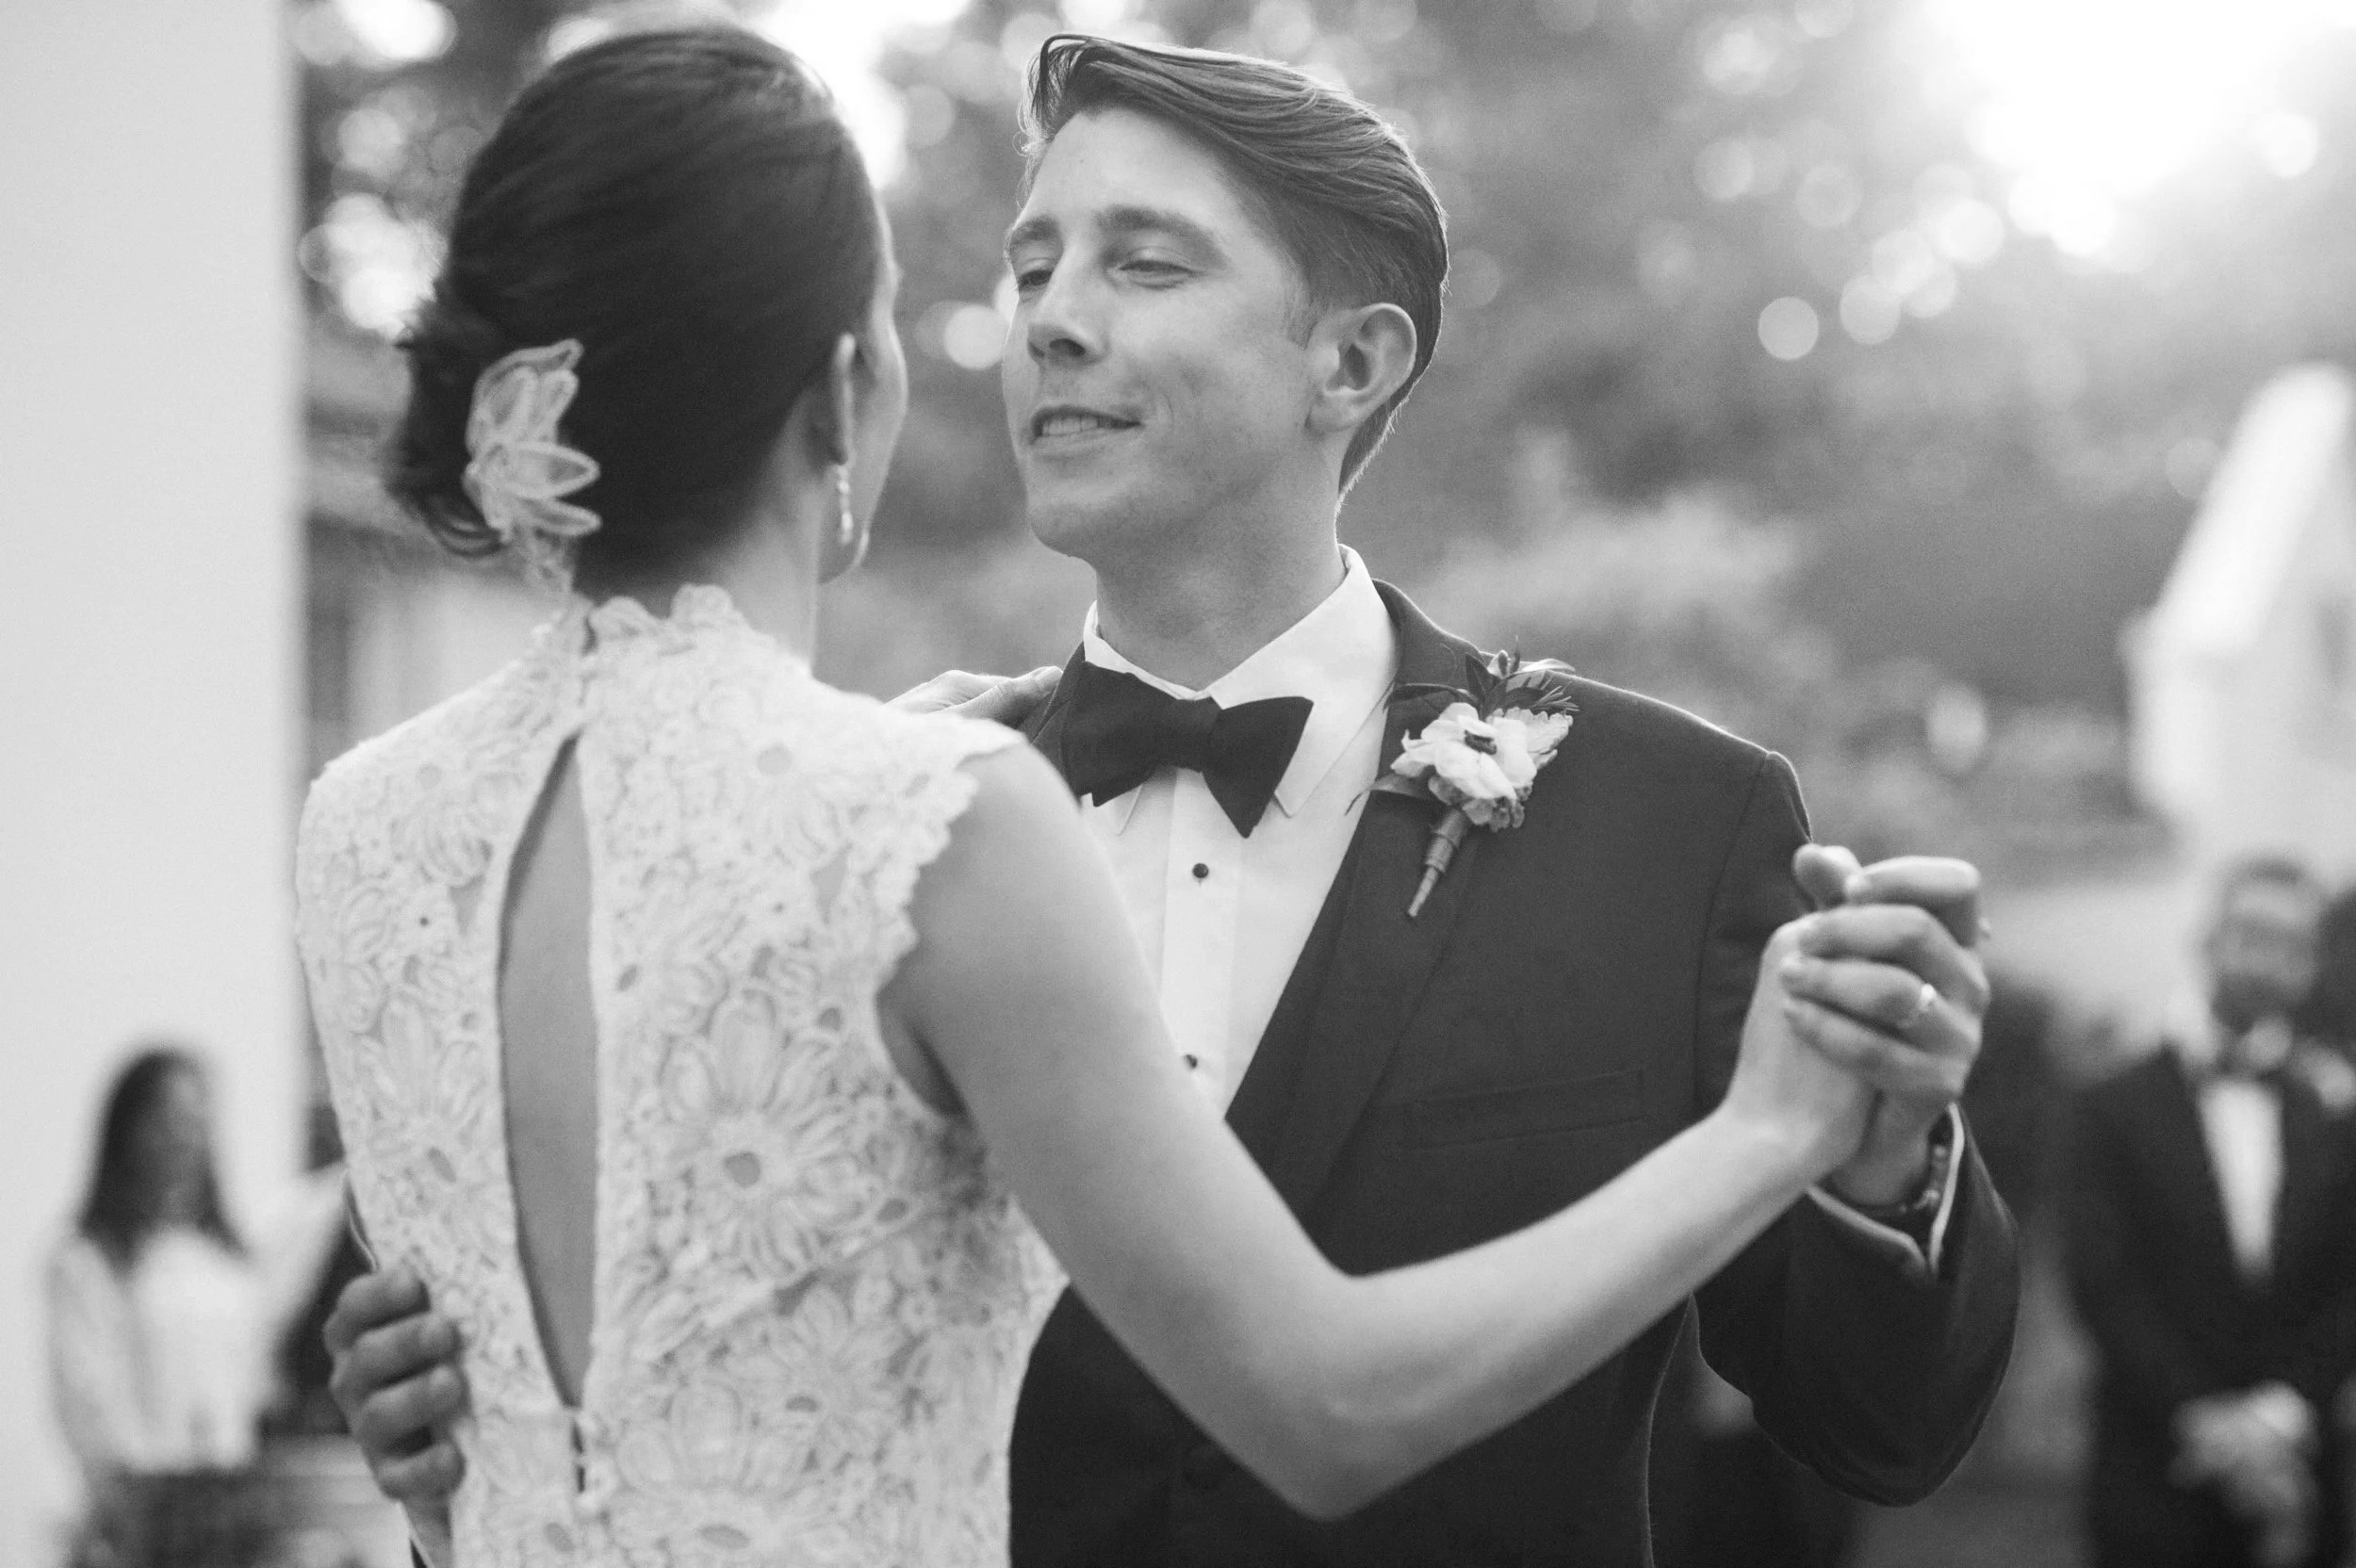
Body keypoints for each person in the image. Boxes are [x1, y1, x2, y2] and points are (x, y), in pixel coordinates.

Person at [313, 28, 2019, 1568]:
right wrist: (483, 1419)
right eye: (1031, 263)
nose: (1050, 318)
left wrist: (1876, 1165)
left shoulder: (1669, 828)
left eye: (1144, 261)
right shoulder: (892, 828)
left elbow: (1882, 1427)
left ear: (1350, 363)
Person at [2065, 856, 2356, 1568]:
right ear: (2207, 938)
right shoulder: (2110, 1104)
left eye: (2295, 944)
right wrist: (2205, 1420)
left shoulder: (2336, 1111)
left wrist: (2281, 1415)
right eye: (2254, 933)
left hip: (2302, 1464)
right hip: (2153, 1464)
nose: (2270, 961)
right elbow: (2103, 1280)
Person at [47, 1045, 344, 1565]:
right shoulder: (91, 1261)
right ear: (128, 1131)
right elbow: (91, 1402)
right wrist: (141, 1508)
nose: (183, 1138)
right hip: (145, 1520)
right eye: (166, 1120)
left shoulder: (224, 1261)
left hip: (231, 1514)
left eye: (195, 1120)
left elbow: (263, 1347)